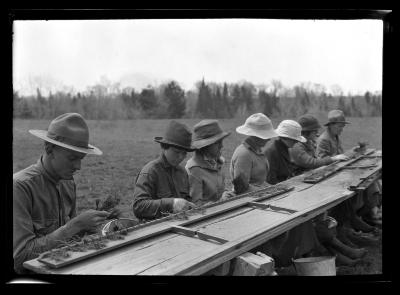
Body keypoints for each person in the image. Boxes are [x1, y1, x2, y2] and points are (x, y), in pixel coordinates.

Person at [13, 113, 110, 274]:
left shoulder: (68, 183)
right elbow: (19, 259)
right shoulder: (20, 188)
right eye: (72, 158)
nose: (78, 166)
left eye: (81, 159)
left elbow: (72, 239)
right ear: (49, 149)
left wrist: (90, 228)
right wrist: (75, 225)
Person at [289, 114, 367, 266]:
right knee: (317, 220)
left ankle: (342, 245)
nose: (317, 134)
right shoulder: (298, 146)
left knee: (325, 216)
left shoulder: (308, 143)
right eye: (314, 131)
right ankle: (336, 252)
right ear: (306, 132)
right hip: (300, 188)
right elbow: (310, 162)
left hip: (307, 184)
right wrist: (333, 159)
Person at [264, 120, 329, 266]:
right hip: (274, 198)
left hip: (283, 193)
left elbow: (286, 174)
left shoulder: (282, 148)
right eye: (294, 140)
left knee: (307, 212)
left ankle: (311, 249)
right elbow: (270, 182)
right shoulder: (272, 152)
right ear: (286, 138)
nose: (295, 143)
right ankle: (300, 254)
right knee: (301, 215)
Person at [316, 110, 381, 246]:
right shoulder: (324, 140)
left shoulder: (334, 137)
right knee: (358, 188)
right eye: (340, 126)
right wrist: (336, 159)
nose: (342, 129)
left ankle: (358, 218)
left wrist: (354, 151)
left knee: (369, 183)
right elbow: (321, 164)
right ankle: (352, 222)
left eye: (343, 126)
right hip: (330, 179)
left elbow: (342, 156)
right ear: (331, 125)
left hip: (339, 174)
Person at [132, 120, 196, 220]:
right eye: (176, 152)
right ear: (164, 147)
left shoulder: (182, 173)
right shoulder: (150, 171)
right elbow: (139, 206)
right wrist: (171, 204)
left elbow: (185, 201)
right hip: (154, 230)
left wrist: (189, 205)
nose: (180, 157)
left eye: (184, 153)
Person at [185, 120, 233, 206]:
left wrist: (227, 194)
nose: (221, 146)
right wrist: (221, 201)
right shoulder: (194, 170)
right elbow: (196, 206)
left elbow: (219, 191)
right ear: (206, 145)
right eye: (217, 143)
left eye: (221, 142)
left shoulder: (218, 162)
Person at [230, 113, 278, 194]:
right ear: (256, 136)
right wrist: (268, 191)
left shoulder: (257, 151)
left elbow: (259, 182)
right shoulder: (244, 154)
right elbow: (241, 188)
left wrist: (274, 188)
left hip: (258, 196)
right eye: (266, 136)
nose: (269, 139)